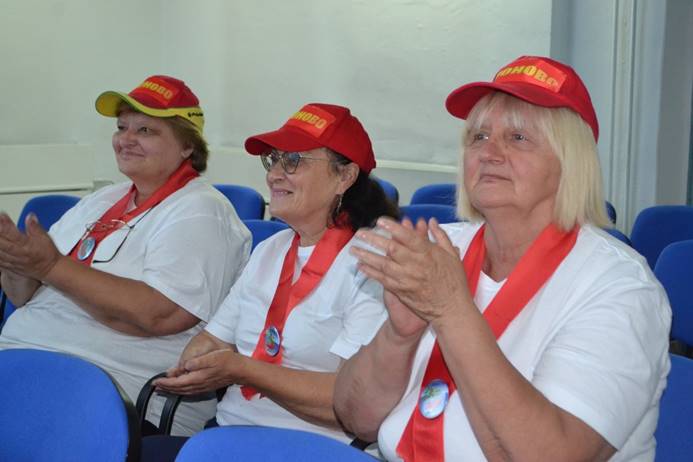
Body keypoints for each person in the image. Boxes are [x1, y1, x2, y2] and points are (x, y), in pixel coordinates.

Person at [334, 56, 671, 461]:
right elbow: (355, 417)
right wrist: (399, 335)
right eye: (478, 137)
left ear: (571, 162)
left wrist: (451, 312)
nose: (488, 152)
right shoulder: (437, 249)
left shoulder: (621, 286)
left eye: (518, 137)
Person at [0, 75, 251, 435]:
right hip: (26, 366)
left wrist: (52, 267)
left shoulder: (201, 210)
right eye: (121, 127)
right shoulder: (101, 200)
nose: (126, 139)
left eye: (145, 130)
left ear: (187, 146)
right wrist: (15, 262)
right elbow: (22, 295)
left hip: (115, 395)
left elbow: (158, 314)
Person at [149, 103, 396, 458]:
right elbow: (211, 339)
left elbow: (351, 403)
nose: (274, 175)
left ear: (345, 176)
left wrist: (243, 370)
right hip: (229, 435)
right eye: (273, 160)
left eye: (293, 160)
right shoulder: (272, 248)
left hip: (316, 450)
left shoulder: (377, 262)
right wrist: (197, 366)